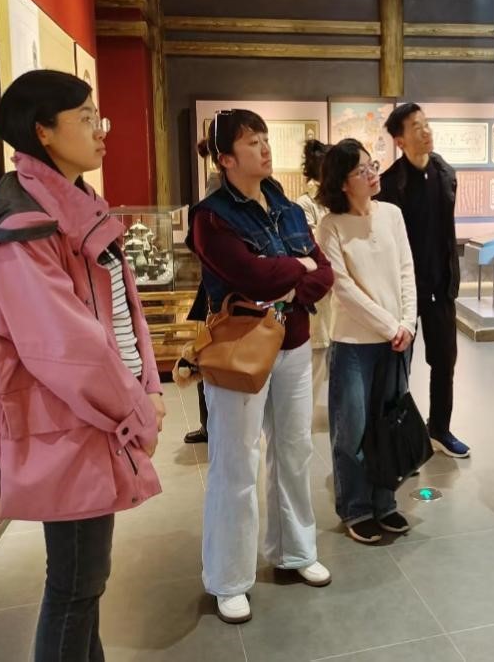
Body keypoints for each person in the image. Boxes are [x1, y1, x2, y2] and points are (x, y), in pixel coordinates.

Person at [0, 69, 166, 661]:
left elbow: (123, 312)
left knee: (84, 585)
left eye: (99, 117)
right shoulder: (25, 226)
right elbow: (66, 348)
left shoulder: (77, 205)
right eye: (86, 119)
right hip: (69, 424)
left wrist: (147, 384)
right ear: (42, 131)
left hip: (92, 420)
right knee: (75, 586)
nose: (100, 131)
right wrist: (135, 408)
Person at [187, 109, 334, 624]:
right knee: (236, 463)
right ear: (225, 158)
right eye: (252, 141)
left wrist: (290, 278)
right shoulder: (211, 217)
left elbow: (325, 273)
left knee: (295, 450)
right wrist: (297, 271)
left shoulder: (287, 207)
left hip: (293, 342)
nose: (265, 147)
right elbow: (250, 276)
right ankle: (229, 577)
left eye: (265, 138)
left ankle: (296, 550)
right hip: (240, 350)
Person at [317, 139, 417, 544]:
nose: (373, 173)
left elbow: (407, 270)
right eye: (361, 170)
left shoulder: (392, 214)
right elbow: (343, 289)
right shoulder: (330, 226)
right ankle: (356, 508)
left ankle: (385, 502)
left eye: (372, 165)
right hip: (354, 343)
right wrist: (390, 326)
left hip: (398, 339)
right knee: (352, 430)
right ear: (343, 183)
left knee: (388, 425)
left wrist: (407, 322)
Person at [377, 103, 469, 458]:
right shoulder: (390, 185)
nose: (426, 131)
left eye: (426, 124)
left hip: (441, 286)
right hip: (404, 291)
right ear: (400, 140)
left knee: (445, 360)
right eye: (416, 127)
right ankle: (396, 438)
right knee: (398, 365)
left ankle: (439, 429)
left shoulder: (445, 173)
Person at [182, 156, 223, 445]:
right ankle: (209, 425)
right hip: (214, 290)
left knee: (210, 357)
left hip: (225, 295)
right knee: (206, 356)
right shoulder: (218, 184)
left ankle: (211, 425)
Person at [295, 139, 335, 411]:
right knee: (317, 353)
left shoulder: (334, 199)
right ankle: (303, 414)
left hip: (337, 289)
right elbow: (312, 247)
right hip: (319, 289)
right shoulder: (305, 203)